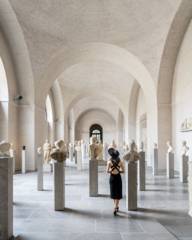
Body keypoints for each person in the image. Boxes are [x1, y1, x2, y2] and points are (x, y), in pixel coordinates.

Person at [107, 146, 125, 216]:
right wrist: (118, 170)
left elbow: (107, 171)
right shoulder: (120, 161)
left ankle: (115, 206)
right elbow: (123, 171)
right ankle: (116, 206)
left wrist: (111, 170)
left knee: (113, 192)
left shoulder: (109, 162)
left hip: (112, 177)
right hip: (118, 177)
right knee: (117, 192)